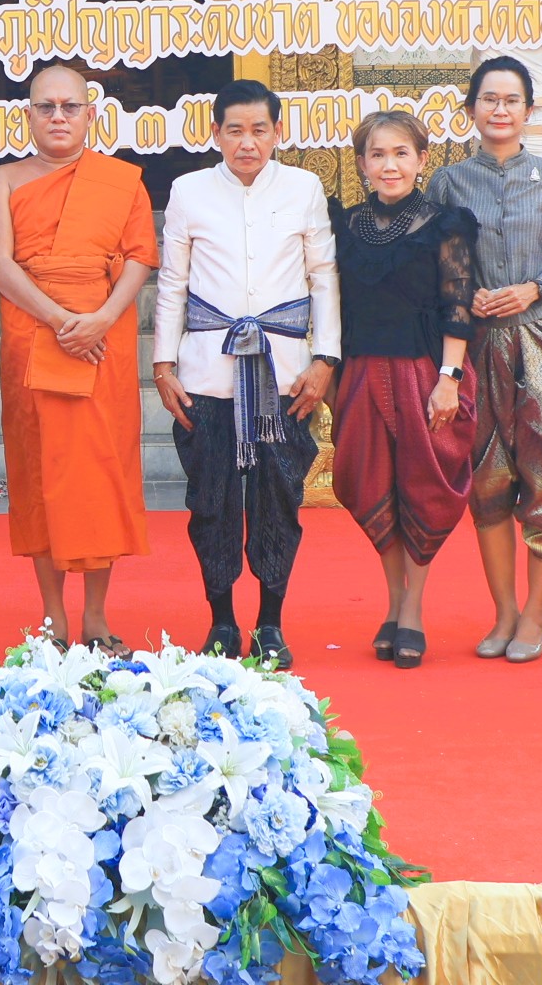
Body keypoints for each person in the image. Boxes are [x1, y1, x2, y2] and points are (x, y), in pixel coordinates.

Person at [154, 78, 340, 668]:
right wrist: (162, 363)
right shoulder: (188, 191)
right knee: (211, 500)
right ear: (215, 134)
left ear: (277, 132)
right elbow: (173, 284)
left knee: (278, 498)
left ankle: (270, 624)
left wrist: (326, 358)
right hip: (207, 375)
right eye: (234, 130)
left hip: (286, 377)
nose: (247, 142)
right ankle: (220, 623)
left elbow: (324, 278)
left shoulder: (305, 187)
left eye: (260, 129)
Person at [0, 64, 157, 652]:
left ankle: (98, 617)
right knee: (43, 477)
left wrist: (100, 318)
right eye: (46, 107)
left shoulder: (122, 180)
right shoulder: (3, 181)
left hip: (103, 341)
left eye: (70, 107)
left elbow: (138, 257)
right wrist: (60, 321)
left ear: (91, 114)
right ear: (28, 115)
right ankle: (54, 618)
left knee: (100, 477)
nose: (58, 116)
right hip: (36, 336)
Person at [426, 56, 542, 663]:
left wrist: (533, 288)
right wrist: (466, 301)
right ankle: (504, 613)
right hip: (474, 345)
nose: (499, 110)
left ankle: (537, 616)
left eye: (511, 100)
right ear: (470, 110)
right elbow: (439, 266)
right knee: (486, 480)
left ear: (528, 111)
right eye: (488, 99)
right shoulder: (447, 183)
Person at [329, 109, 476, 670]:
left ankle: (411, 611)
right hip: (363, 371)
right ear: (362, 164)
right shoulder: (344, 225)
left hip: (425, 373)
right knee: (371, 486)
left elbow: (457, 303)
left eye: (401, 153)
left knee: (424, 487)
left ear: (421, 159)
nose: (389, 165)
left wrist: (449, 378)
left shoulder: (447, 222)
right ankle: (394, 603)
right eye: (377, 154)